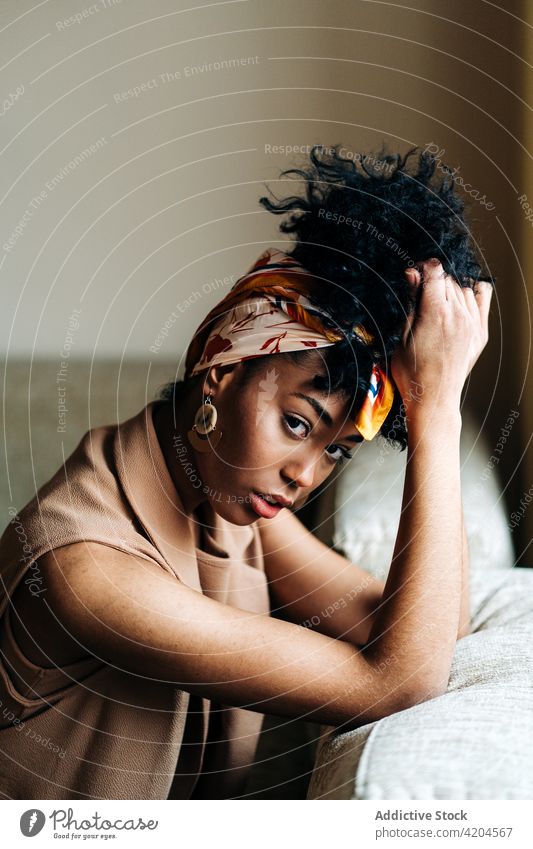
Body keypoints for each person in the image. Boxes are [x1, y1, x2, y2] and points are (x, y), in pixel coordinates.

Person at [0, 145, 493, 800]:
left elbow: (436, 627)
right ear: (222, 367)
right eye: (297, 422)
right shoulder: (87, 570)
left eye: (337, 449)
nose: (304, 475)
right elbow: (395, 681)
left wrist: (437, 400)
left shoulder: (226, 501)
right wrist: (437, 408)